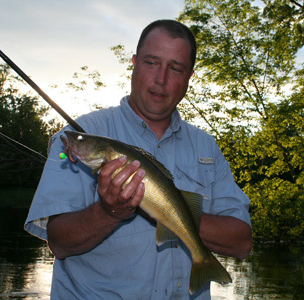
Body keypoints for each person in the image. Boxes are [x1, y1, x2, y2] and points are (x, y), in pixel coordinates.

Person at [25, 19, 252, 300]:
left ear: (189, 77)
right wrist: (108, 212)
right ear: (134, 63)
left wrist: (169, 212)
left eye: (175, 68)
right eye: (151, 63)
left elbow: (242, 243)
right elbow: (58, 243)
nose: (161, 79)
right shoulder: (81, 135)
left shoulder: (206, 146)